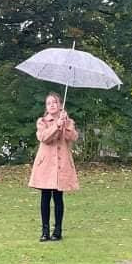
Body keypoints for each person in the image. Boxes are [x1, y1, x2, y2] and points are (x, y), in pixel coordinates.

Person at [28, 92, 79, 242]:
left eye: (54, 102)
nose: (52, 105)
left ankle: (58, 231)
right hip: (46, 165)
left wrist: (65, 125)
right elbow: (44, 138)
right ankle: (45, 231)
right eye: (49, 103)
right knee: (45, 196)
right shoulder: (42, 121)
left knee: (58, 197)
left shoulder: (68, 122)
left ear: (60, 105)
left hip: (61, 165)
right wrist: (56, 126)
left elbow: (72, 137)